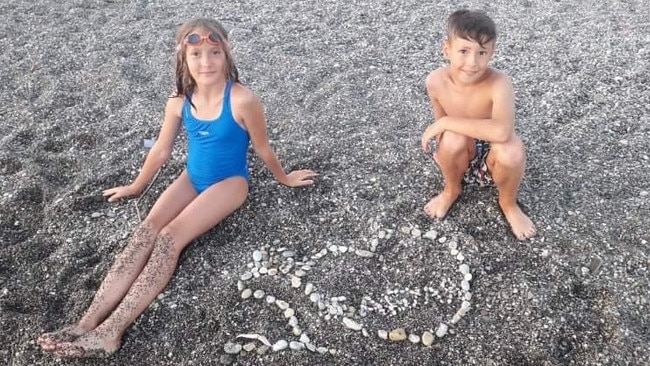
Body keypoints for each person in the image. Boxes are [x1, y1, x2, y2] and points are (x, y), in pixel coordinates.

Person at [37, 18, 317, 358]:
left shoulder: (243, 100)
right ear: (183, 58)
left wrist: (283, 177)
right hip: (192, 177)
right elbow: (160, 150)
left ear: (228, 53)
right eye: (196, 54)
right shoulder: (179, 101)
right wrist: (136, 187)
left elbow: (262, 149)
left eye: (214, 53)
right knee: (145, 232)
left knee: (170, 238)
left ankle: (111, 332)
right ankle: (87, 322)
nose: (206, 62)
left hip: (230, 183)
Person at [420, 9, 536, 240]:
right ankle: (452, 189)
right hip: (462, 154)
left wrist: (446, 122)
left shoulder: (499, 83)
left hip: (494, 159)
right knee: (452, 138)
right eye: (463, 51)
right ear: (447, 50)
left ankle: (508, 204)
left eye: (482, 52)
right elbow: (442, 132)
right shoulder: (435, 81)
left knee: (511, 150)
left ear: (492, 53)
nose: (472, 62)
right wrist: (444, 151)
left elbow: (502, 132)